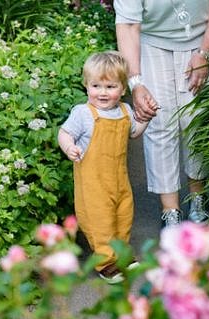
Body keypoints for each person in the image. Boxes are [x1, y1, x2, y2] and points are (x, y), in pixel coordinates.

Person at [114, 0, 209, 227]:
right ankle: (170, 211)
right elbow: (128, 25)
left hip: (204, 35)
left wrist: (204, 54)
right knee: (159, 118)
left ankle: (198, 197)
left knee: (196, 119)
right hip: (153, 39)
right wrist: (136, 83)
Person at [57, 51, 149, 284]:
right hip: (94, 183)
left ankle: (121, 253)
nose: (102, 92)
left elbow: (134, 133)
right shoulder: (84, 113)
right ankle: (106, 262)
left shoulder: (126, 112)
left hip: (119, 180)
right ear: (86, 85)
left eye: (110, 86)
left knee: (123, 216)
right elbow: (64, 133)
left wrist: (146, 119)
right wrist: (69, 148)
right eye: (96, 86)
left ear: (123, 89)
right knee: (101, 222)